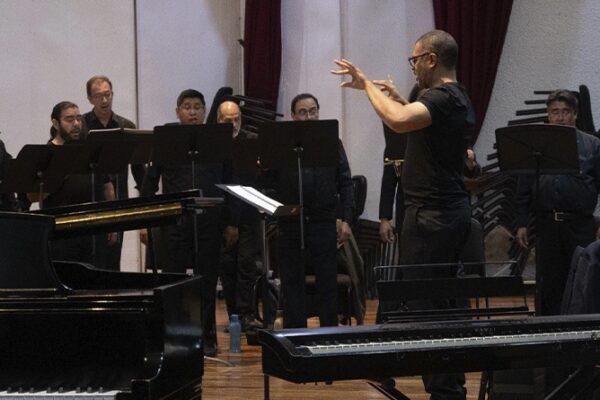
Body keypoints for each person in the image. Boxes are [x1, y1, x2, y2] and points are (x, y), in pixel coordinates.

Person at [333, 30, 475, 400]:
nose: (412, 67)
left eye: (414, 60)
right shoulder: (455, 97)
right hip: (442, 214)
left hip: (432, 218)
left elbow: (397, 121)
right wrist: (398, 98)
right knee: (440, 303)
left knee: (429, 306)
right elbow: (417, 123)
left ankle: (445, 391)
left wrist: (367, 84)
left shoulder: (442, 97)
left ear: (431, 59)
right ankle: (448, 386)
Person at [140, 89, 225, 357]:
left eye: (197, 107)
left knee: (207, 281)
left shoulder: (215, 140)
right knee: (174, 281)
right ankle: (173, 337)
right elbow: (150, 183)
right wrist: (145, 220)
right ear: (177, 111)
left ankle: (207, 337)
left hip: (209, 220)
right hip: (175, 220)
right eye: (187, 107)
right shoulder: (166, 139)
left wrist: (231, 222)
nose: (192, 112)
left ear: (204, 111)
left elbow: (229, 180)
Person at [515, 89, 600, 316]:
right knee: (548, 282)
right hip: (546, 225)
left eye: (565, 111)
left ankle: (581, 327)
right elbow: (524, 186)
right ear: (548, 114)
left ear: (575, 114)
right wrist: (521, 222)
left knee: (582, 279)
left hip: (580, 224)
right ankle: (547, 327)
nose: (560, 117)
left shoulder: (592, 145)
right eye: (555, 112)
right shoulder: (537, 146)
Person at [273, 93, 354, 329]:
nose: (309, 116)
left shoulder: (331, 142)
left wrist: (347, 219)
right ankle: (296, 334)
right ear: (293, 116)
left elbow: (345, 182)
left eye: (313, 111)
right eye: (303, 112)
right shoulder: (282, 144)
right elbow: (271, 181)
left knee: (327, 282)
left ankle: (328, 333)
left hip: (323, 221)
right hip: (291, 223)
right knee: (292, 282)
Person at [28, 101, 115, 263]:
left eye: (78, 118)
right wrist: (59, 171)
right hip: (60, 232)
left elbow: (107, 186)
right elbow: (32, 196)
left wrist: (111, 221)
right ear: (56, 123)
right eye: (69, 119)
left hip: (90, 229)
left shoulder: (88, 151)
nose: (76, 124)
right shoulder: (46, 154)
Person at [81, 75, 143, 271]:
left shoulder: (126, 127)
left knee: (113, 259)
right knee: (89, 259)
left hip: (119, 202)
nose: (104, 100)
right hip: (89, 201)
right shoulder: (82, 125)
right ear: (90, 99)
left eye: (108, 94)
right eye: (98, 96)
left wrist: (145, 204)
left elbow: (139, 170)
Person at [217, 100, 263, 332]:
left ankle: (246, 314)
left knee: (247, 265)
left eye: (237, 119)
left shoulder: (252, 141)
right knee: (227, 267)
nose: (234, 124)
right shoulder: (214, 143)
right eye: (228, 120)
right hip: (224, 214)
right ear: (219, 120)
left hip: (248, 212)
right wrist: (229, 221)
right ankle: (234, 315)